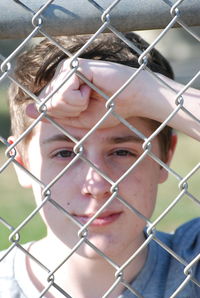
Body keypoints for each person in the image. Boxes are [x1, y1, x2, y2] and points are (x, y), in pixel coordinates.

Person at [0, 32, 199, 298]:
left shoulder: (190, 265)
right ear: (21, 163)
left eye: (121, 152)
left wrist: (152, 93)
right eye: (64, 153)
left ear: (164, 157)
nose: (98, 185)